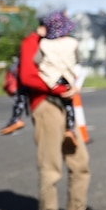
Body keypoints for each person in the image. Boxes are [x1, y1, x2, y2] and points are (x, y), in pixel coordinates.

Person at [18, 14, 100, 210]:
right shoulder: (32, 42)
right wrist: (59, 89)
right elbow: (27, 76)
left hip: (65, 105)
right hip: (46, 105)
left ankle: (76, 206)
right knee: (50, 162)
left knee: (79, 159)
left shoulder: (61, 41)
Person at [36, 10, 80, 147]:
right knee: (69, 105)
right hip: (66, 79)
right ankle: (70, 129)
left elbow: (36, 60)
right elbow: (78, 60)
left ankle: (15, 117)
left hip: (50, 80)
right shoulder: (72, 43)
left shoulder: (44, 44)